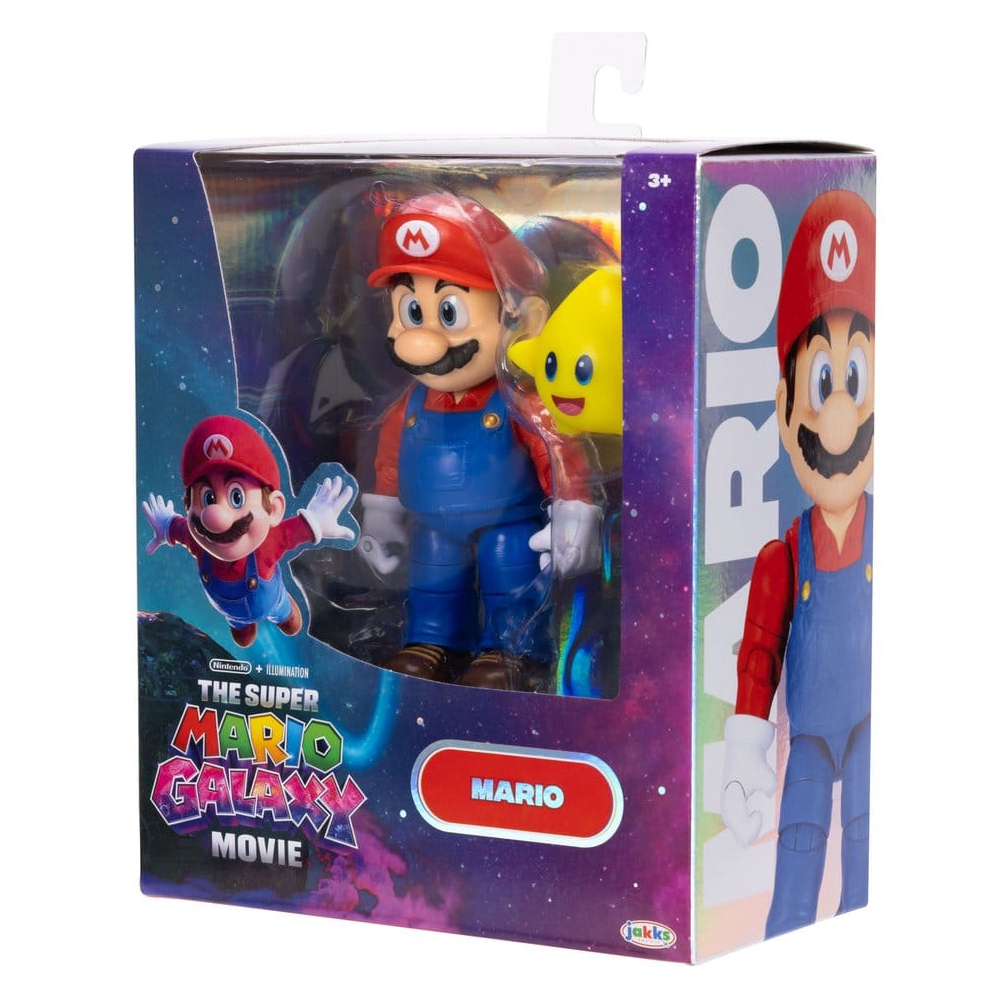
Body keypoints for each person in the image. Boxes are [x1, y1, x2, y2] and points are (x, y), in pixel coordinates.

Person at [358, 193, 601, 690]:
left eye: (448, 312)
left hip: (510, 523)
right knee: (433, 585)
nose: (422, 339)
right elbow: (389, 464)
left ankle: (511, 649)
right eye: (411, 310)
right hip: (432, 526)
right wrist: (382, 518)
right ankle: (432, 642)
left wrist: (574, 512)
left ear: (519, 319)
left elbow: (557, 452)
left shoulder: (519, 403)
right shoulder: (408, 406)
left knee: (510, 580)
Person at [720, 189, 875, 937]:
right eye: (821, 385)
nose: (840, 417)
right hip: (807, 736)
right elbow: (759, 656)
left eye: (857, 380)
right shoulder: (785, 555)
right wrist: (744, 753)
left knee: (870, 854)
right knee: (800, 851)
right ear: (786, 410)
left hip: (875, 727)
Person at [143, 414, 357, 647]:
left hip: (272, 601)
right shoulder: (198, 542)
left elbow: (293, 532)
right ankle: (241, 624)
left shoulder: (267, 546)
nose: (215, 517)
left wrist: (316, 521)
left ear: (274, 509)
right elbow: (180, 530)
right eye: (208, 498)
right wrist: (165, 527)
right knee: (241, 635)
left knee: (286, 617)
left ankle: (283, 613)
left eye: (236, 496)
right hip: (230, 612)